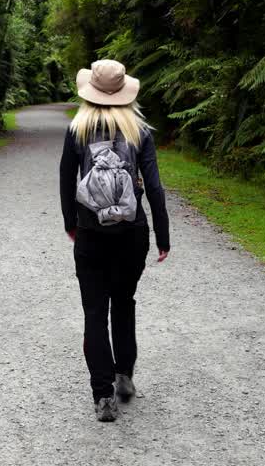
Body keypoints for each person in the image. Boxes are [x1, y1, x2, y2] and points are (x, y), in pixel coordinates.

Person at [59, 59, 170, 422]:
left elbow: (65, 181)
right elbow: (153, 187)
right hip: (131, 234)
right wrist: (162, 235)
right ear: (126, 94)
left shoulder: (77, 129)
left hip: (91, 233)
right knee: (124, 302)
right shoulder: (140, 131)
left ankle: (102, 397)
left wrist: (71, 224)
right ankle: (124, 376)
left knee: (94, 312)